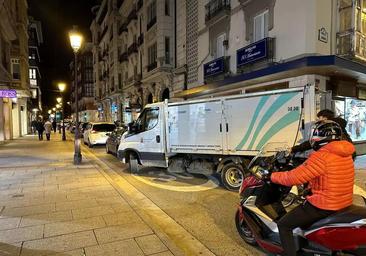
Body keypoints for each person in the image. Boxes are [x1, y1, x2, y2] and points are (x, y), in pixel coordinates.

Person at [269, 121, 355, 256]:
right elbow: (328, 175)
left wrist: (272, 176)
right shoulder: (345, 153)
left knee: (284, 225)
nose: (314, 139)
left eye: (316, 136)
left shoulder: (321, 156)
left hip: (324, 205)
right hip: (343, 201)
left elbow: (293, 178)